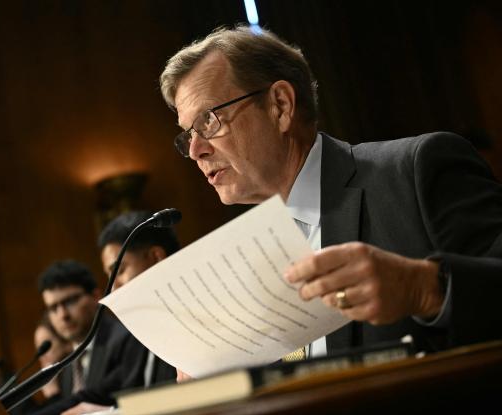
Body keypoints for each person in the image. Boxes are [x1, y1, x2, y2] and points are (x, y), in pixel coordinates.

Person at [159, 25, 502, 378]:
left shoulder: (415, 170)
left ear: (280, 106)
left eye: (208, 121)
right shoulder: (246, 258)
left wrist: (424, 289)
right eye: (188, 135)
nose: (196, 150)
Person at [57, 211, 179, 415]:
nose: (114, 288)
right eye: (110, 276)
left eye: (120, 270)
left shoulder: (197, 317)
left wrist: (113, 414)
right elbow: (99, 395)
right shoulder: (140, 334)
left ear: (156, 257)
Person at [22, 259, 146, 415]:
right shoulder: (67, 364)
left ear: (96, 296)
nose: (63, 315)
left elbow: (92, 399)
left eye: (70, 301)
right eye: (53, 308)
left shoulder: (124, 340)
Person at [33, 313, 73, 403]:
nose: (42, 356)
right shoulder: (58, 376)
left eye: (45, 347)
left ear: (66, 342)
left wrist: (53, 395)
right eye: (38, 349)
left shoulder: (76, 370)